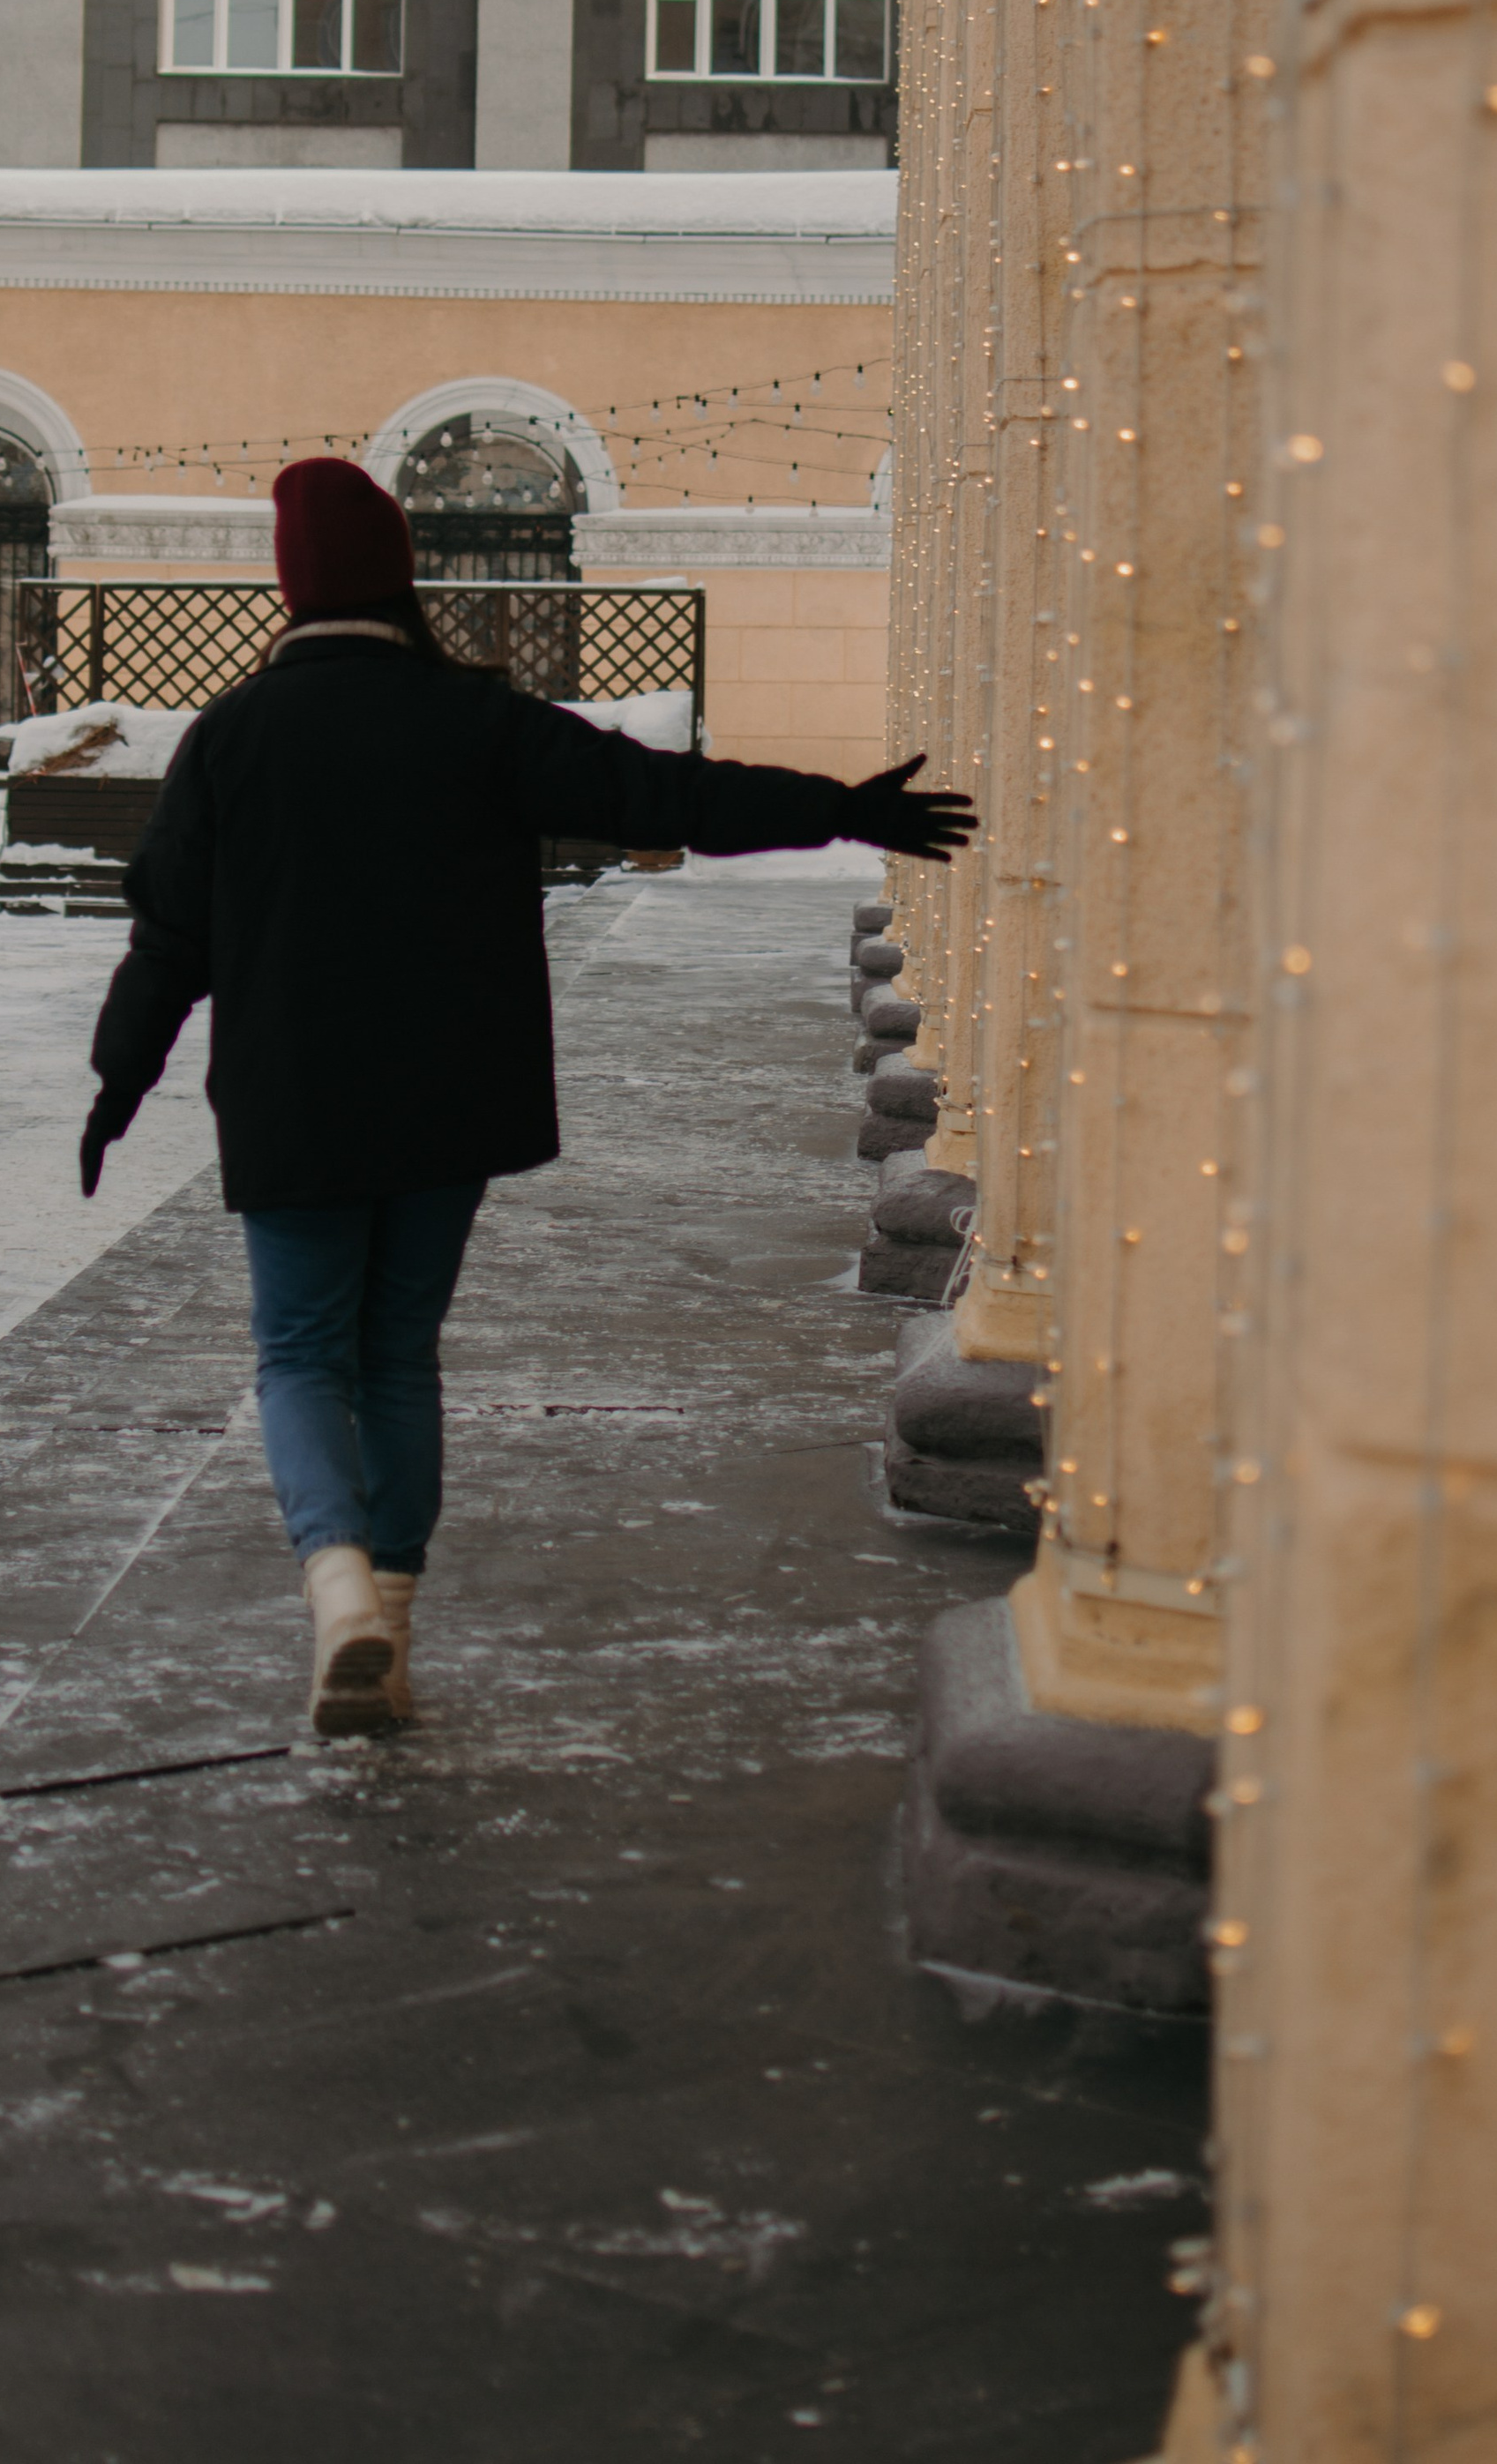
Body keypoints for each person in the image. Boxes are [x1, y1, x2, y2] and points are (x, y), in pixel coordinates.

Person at [80, 456, 976, 1739]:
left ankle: (336, 1585)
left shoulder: (232, 737)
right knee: (398, 1355)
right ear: (400, 579)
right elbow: (662, 795)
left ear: (291, 590)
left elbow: (169, 940)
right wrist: (839, 809)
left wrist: (119, 1081)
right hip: (449, 1098)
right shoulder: (475, 720)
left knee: (301, 1355)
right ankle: (390, 1625)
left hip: (293, 1100)